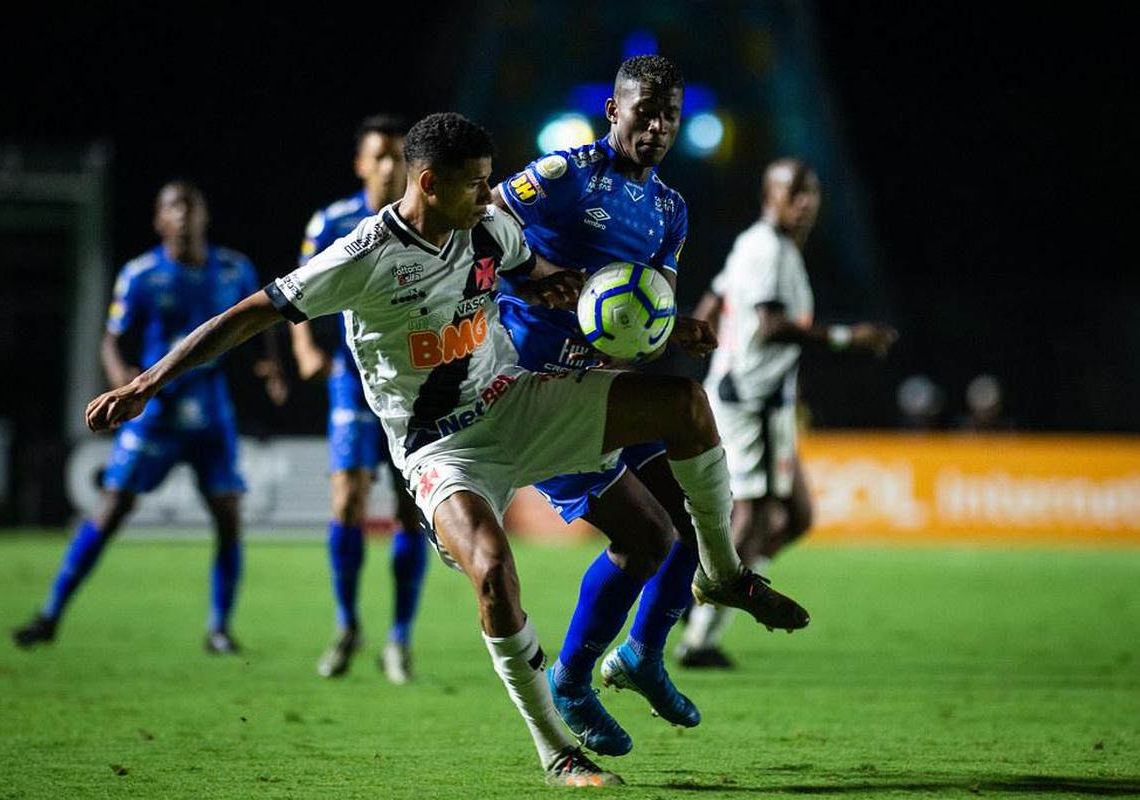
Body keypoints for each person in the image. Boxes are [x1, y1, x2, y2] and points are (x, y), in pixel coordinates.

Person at [83, 113, 808, 786]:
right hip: (444, 451)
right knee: (492, 570)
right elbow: (247, 315)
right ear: (428, 182)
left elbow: (552, 283)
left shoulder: (487, 226)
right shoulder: (362, 255)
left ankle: (718, 571)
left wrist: (659, 325)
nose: (491, 191)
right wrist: (148, 381)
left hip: (519, 400)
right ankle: (557, 750)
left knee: (682, 410)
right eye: (476, 180)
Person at [492, 54, 781, 757]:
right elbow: (482, 218)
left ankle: (644, 655)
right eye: (643, 111)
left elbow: (638, 317)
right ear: (612, 111)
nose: (655, 126)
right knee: (648, 539)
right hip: (530, 393)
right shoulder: (562, 176)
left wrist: (671, 327)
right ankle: (570, 679)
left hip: (599, 386)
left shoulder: (669, 210)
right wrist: (531, 278)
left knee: (697, 503)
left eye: (668, 116)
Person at [13, 180, 287, 654]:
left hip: (212, 411)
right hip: (155, 409)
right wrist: (124, 384)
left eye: (190, 206)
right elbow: (112, 339)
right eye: (172, 208)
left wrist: (271, 365)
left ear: (204, 216)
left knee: (228, 516)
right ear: (160, 221)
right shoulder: (140, 276)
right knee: (112, 509)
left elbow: (263, 317)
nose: (182, 216)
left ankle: (219, 629)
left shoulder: (233, 268)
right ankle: (50, 614)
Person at [676, 159, 896, 667]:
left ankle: (706, 596)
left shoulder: (757, 244)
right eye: (793, 192)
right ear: (768, 195)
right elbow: (772, 326)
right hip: (750, 403)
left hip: (757, 400)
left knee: (796, 515)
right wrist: (848, 337)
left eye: (812, 193)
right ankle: (701, 632)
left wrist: (704, 329)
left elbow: (718, 293)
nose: (805, 203)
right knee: (753, 514)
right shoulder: (770, 251)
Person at [290, 114, 427, 684]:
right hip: (353, 377)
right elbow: (295, 290)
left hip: (416, 381)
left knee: (410, 508)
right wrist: (303, 349)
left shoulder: (428, 218)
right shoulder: (333, 221)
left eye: (399, 155)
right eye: (381, 156)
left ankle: (399, 639)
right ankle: (347, 624)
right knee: (347, 499)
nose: (391, 166)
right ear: (362, 164)